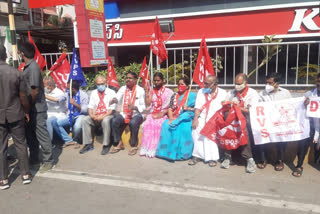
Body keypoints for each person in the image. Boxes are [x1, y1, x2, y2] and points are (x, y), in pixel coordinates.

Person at [0, 46, 32, 189]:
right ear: (5, 55)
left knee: (1, 148)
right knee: (20, 144)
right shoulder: (16, 73)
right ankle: (25, 175)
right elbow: (23, 97)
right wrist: (26, 111)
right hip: (16, 113)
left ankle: (3, 179)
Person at [20, 42, 54, 172]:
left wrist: (28, 107)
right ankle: (34, 159)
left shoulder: (33, 67)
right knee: (31, 135)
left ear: (22, 53)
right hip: (31, 108)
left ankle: (48, 161)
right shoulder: (27, 67)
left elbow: (34, 91)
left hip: (36, 108)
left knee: (41, 134)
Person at [221, 73, 258, 173]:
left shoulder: (252, 93)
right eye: (235, 83)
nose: (237, 86)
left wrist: (237, 107)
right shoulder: (232, 93)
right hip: (232, 120)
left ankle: (249, 159)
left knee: (243, 131)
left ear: (246, 83)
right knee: (225, 129)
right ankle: (227, 156)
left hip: (246, 120)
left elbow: (251, 110)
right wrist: (227, 104)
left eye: (239, 84)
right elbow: (225, 106)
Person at [189, 75, 227, 167]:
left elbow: (225, 109)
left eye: (207, 84)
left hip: (216, 119)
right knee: (196, 129)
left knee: (210, 131)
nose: (204, 85)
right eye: (204, 83)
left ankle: (212, 158)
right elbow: (198, 107)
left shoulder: (223, 93)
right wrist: (195, 119)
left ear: (215, 84)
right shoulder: (201, 92)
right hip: (203, 117)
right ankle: (197, 156)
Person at [156, 77, 196, 161]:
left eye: (182, 84)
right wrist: (170, 118)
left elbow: (196, 109)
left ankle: (182, 154)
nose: (179, 86)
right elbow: (170, 108)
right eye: (179, 84)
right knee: (166, 124)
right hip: (174, 116)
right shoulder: (174, 95)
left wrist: (188, 108)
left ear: (187, 86)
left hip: (186, 117)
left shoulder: (192, 95)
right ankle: (164, 152)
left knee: (182, 127)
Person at [257, 72, 292, 171]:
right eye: (266, 83)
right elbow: (258, 108)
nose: (267, 85)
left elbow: (291, 106)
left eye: (270, 83)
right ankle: (263, 159)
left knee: (281, 139)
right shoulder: (261, 94)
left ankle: (280, 160)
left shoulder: (285, 93)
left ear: (277, 83)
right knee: (261, 137)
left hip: (280, 123)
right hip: (266, 122)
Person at [109, 72, 145, 156]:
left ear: (135, 80)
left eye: (130, 78)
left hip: (137, 114)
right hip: (124, 113)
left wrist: (135, 107)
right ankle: (119, 143)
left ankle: (134, 145)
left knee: (133, 123)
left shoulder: (140, 90)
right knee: (114, 120)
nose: (128, 79)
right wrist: (114, 100)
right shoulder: (123, 88)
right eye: (127, 78)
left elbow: (143, 106)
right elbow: (117, 97)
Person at [80, 75, 116, 155]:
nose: (100, 86)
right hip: (96, 115)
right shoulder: (93, 93)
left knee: (106, 121)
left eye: (102, 84)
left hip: (107, 115)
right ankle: (88, 144)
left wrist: (102, 116)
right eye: (98, 84)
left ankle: (106, 144)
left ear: (106, 83)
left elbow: (112, 110)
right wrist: (92, 115)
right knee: (85, 120)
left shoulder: (111, 92)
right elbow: (90, 107)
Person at [140, 72, 173, 158]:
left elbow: (171, 106)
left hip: (164, 113)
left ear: (163, 81)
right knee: (147, 124)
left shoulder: (169, 92)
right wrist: (147, 93)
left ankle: (156, 149)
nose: (156, 82)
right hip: (153, 112)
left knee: (158, 124)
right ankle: (147, 149)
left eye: (158, 80)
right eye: (155, 81)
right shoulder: (152, 91)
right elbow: (148, 104)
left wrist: (162, 113)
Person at [52, 80, 88, 148]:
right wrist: (44, 96)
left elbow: (85, 110)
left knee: (77, 127)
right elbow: (57, 99)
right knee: (55, 123)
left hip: (80, 115)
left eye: (68, 88)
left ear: (73, 89)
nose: (66, 89)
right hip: (70, 115)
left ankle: (76, 141)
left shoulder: (83, 95)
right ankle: (68, 140)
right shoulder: (67, 94)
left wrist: (75, 104)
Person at [302, 73, 320, 176]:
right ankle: (300, 163)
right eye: (318, 81)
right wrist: (305, 104)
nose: (319, 84)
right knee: (305, 141)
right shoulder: (309, 94)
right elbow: (300, 107)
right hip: (312, 124)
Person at [43, 77, 67, 142]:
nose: (43, 87)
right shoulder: (45, 91)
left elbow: (56, 100)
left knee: (48, 121)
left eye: (44, 85)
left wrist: (44, 96)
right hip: (47, 113)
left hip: (58, 114)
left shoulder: (59, 92)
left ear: (50, 86)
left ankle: (48, 143)